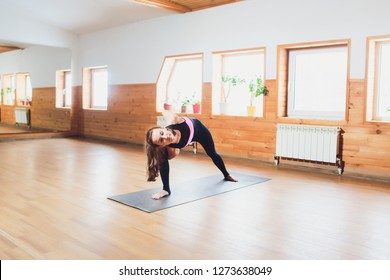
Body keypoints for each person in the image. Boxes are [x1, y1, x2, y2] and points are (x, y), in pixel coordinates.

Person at [145, 112, 237, 199]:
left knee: (212, 153)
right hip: (186, 140)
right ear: (162, 145)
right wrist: (171, 153)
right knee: (162, 158)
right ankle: (166, 189)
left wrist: (166, 111)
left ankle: (226, 175)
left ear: (163, 128)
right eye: (161, 140)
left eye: (162, 133)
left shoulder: (175, 121)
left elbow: (169, 113)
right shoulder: (166, 146)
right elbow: (171, 156)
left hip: (199, 130)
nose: (165, 136)